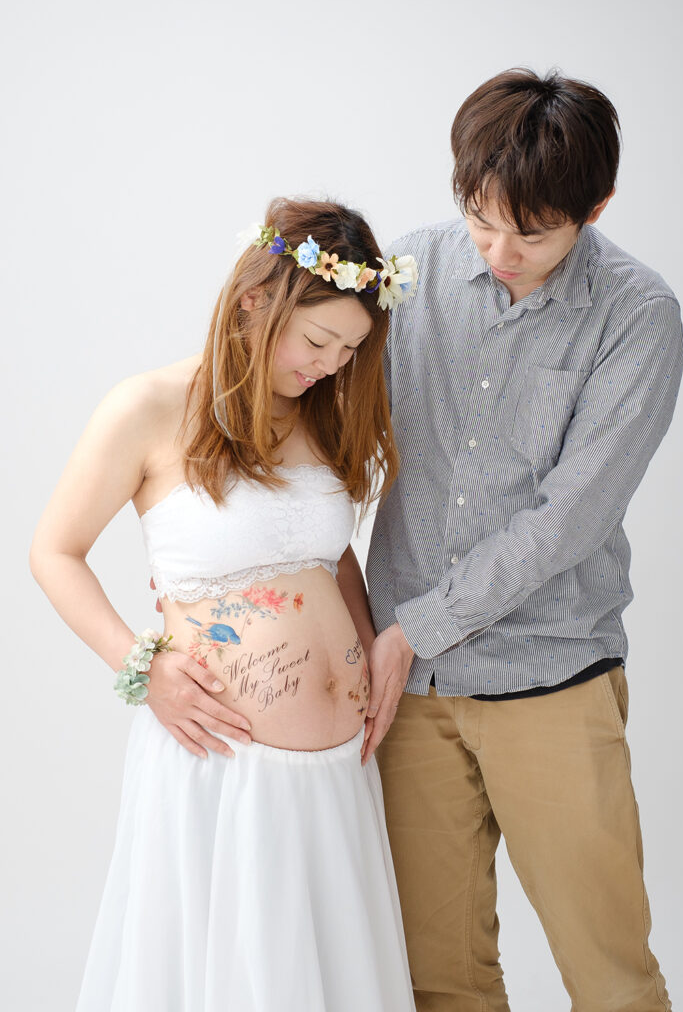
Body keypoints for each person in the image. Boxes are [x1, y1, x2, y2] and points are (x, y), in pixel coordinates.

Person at [30, 197, 418, 1011]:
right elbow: (54, 553)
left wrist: (367, 653)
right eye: (318, 341)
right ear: (254, 301)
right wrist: (142, 668)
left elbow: (329, 555)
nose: (330, 366)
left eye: (349, 351)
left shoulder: (316, 413)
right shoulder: (145, 407)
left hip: (338, 772)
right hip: (223, 767)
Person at [362, 70, 683, 1011]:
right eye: (479, 219)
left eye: (532, 233)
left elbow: (569, 518)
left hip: (550, 674)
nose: (499, 251)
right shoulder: (407, 271)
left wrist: (416, 626)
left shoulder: (637, 314)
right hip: (407, 694)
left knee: (610, 978)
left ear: (596, 207)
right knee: (439, 980)